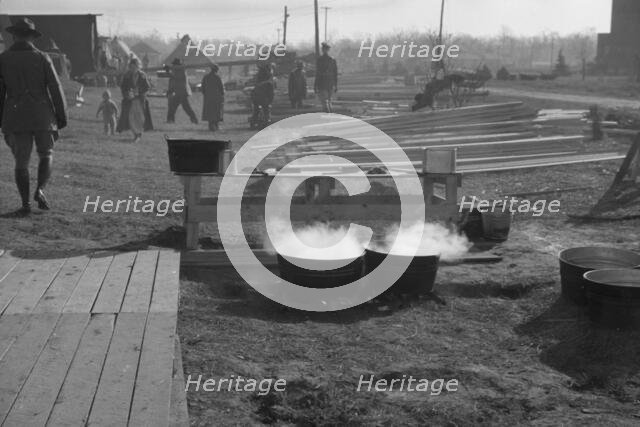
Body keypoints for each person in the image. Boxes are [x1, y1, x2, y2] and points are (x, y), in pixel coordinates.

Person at [0, 18, 67, 215]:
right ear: (31, 36)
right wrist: (61, 115)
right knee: (46, 153)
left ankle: (25, 204)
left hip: (15, 115)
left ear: (13, 35)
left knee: (21, 162)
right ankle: (40, 190)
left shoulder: (2, 59)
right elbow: (55, 87)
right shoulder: (42, 58)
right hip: (42, 115)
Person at [117, 58, 153, 142]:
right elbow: (123, 87)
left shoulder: (142, 75)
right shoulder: (127, 76)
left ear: (138, 66)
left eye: (135, 67)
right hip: (130, 101)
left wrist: (140, 91)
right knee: (131, 118)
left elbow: (147, 87)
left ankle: (138, 134)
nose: (133, 69)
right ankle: (136, 134)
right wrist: (127, 94)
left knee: (140, 117)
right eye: (131, 67)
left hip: (140, 100)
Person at [166, 58, 198, 124]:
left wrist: (168, 70)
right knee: (173, 107)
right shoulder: (177, 70)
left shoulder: (181, 70)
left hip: (182, 92)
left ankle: (194, 119)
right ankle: (170, 120)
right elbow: (173, 79)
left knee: (185, 108)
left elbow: (175, 78)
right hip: (178, 92)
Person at [314, 42, 338, 113]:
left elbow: (318, 73)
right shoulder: (332, 60)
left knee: (324, 102)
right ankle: (330, 116)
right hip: (330, 83)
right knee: (329, 101)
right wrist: (335, 85)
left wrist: (315, 85)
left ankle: (327, 116)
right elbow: (335, 74)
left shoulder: (319, 60)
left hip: (322, 83)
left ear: (323, 50)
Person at [201, 64, 224, 131]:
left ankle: (211, 126)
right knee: (216, 111)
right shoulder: (217, 77)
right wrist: (222, 94)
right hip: (217, 97)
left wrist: (206, 94)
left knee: (209, 111)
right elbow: (221, 88)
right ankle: (216, 126)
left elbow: (203, 88)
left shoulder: (205, 77)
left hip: (208, 97)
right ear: (216, 70)